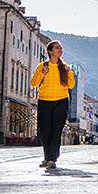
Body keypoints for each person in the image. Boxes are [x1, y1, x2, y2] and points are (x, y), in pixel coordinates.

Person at [30, 40, 75, 169]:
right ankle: (47, 157)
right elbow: (34, 83)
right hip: (44, 100)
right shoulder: (43, 66)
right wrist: (42, 73)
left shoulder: (64, 67)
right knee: (45, 131)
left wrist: (69, 73)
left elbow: (70, 85)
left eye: (60, 48)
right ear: (50, 51)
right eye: (57, 48)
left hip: (61, 101)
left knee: (56, 131)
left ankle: (52, 158)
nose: (60, 50)